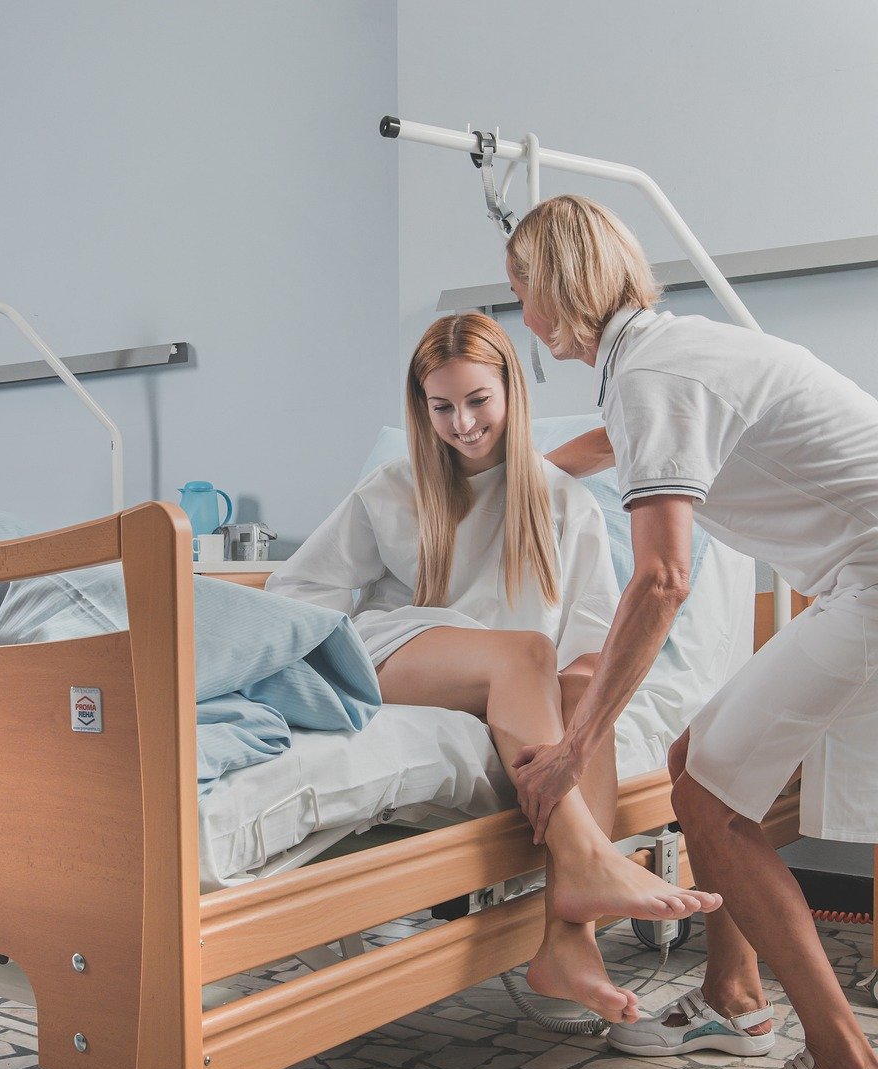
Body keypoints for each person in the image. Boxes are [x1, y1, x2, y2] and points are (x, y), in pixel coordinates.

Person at [507, 193, 878, 1069]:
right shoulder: (660, 359)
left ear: (555, 285)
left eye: (521, 286)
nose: (522, 312)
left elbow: (664, 578)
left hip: (870, 572)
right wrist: (494, 481)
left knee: (702, 791)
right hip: (856, 572)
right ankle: (734, 994)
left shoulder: (651, 374)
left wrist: (574, 742)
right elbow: (603, 449)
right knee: (708, 771)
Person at [267, 312, 721, 1023]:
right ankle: (591, 865)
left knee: (580, 696)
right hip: (396, 656)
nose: (462, 424)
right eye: (440, 406)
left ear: (510, 391)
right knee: (529, 653)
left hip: (513, 682)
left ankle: (567, 944)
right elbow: (296, 592)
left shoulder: (562, 501)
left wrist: (580, 699)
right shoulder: (394, 488)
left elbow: (593, 641)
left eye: (477, 401)